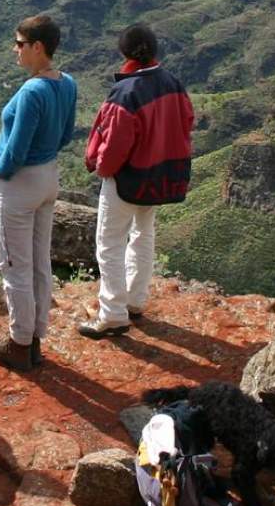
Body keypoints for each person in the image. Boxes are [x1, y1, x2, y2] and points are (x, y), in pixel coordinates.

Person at [77, 22, 194, 338]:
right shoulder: (173, 83)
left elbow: (115, 144)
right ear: (154, 51)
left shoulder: (125, 92)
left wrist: (102, 167)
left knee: (110, 243)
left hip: (127, 179)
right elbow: (187, 123)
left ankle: (113, 313)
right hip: (160, 176)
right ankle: (136, 300)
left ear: (124, 53)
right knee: (144, 233)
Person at [0, 14, 78, 372]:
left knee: (14, 265)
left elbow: (17, 147)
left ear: (38, 47)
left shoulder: (31, 91)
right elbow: (67, 134)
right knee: (40, 261)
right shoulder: (67, 83)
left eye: (20, 44)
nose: (16, 50)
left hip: (20, 183)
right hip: (49, 177)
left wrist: (1, 171)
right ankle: (36, 335)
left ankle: (19, 343)